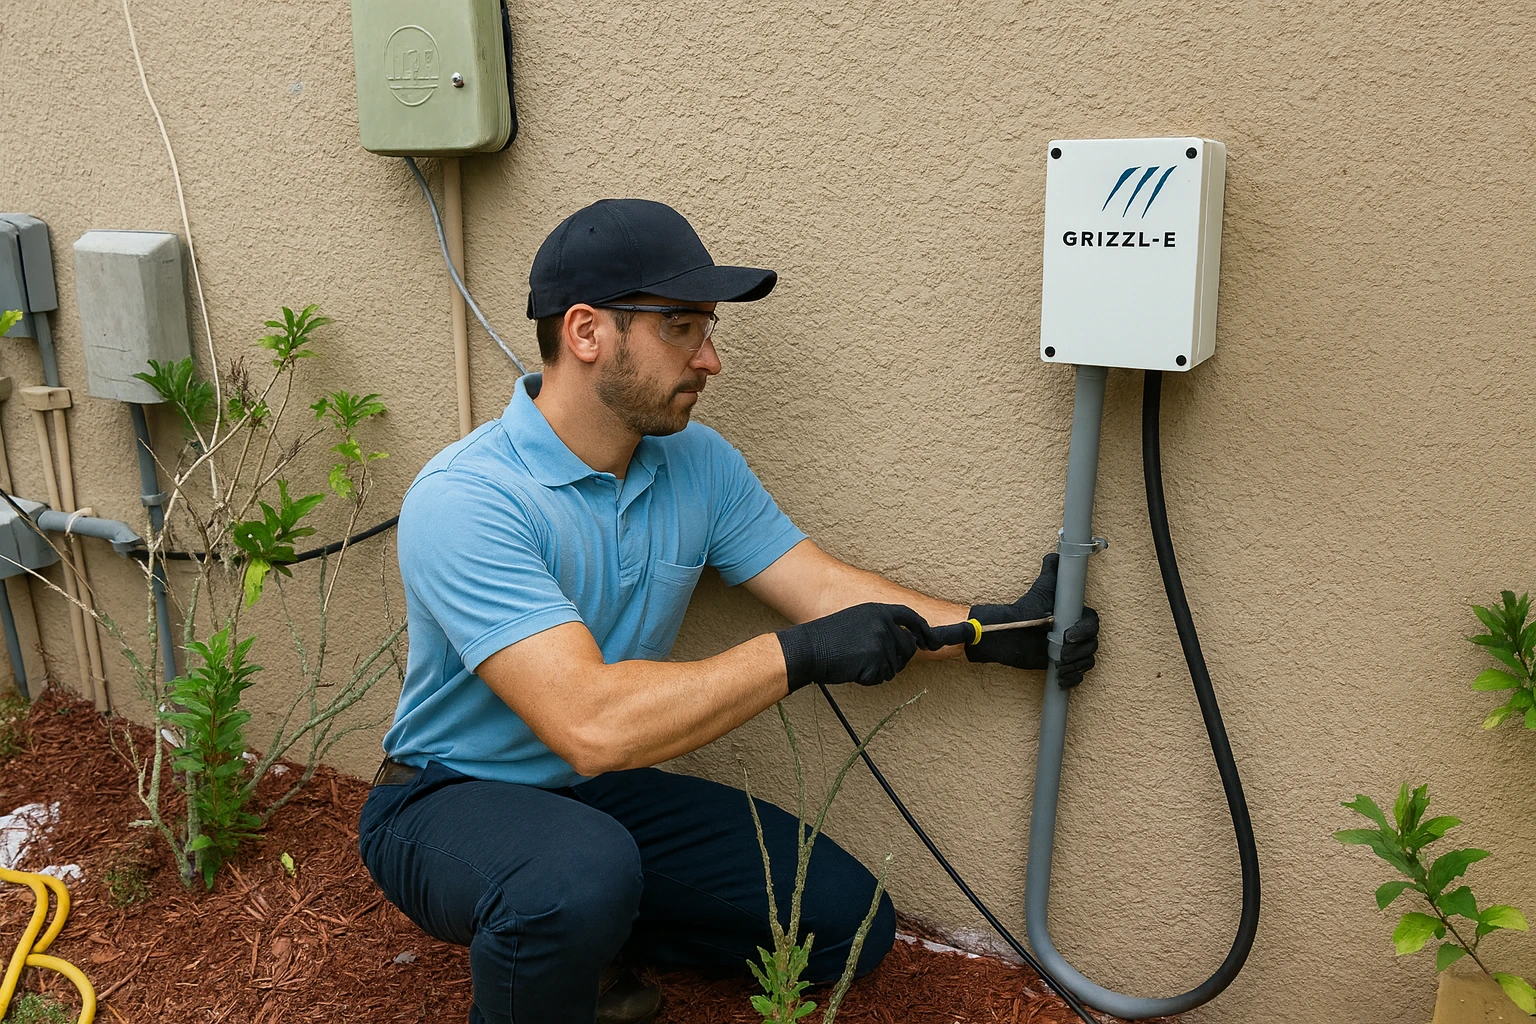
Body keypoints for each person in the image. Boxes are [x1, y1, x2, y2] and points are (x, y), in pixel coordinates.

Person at [357, 199, 1100, 1024]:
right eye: (680, 326)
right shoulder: (469, 498)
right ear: (585, 331)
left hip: (593, 797)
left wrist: (990, 631)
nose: (709, 358)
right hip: (447, 798)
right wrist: (800, 655)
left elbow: (818, 588)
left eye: (707, 328)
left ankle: (585, 935)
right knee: (570, 876)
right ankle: (561, 936)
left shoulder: (695, 464)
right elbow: (590, 723)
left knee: (842, 923)